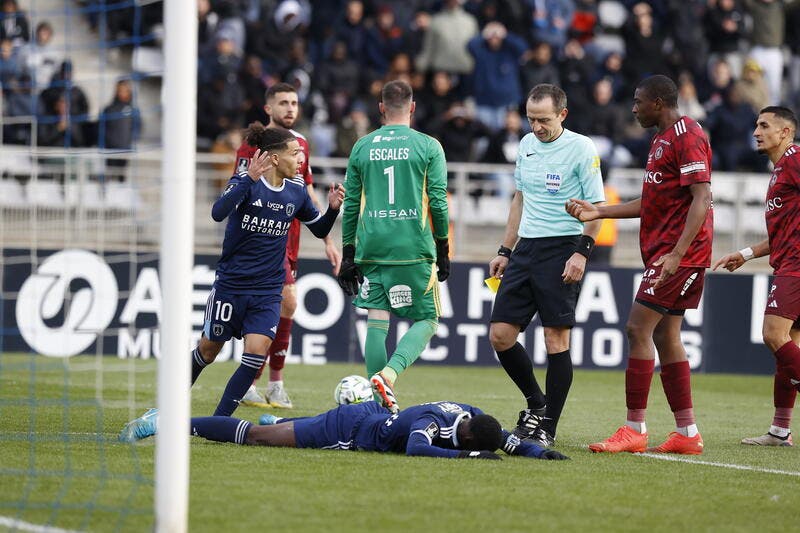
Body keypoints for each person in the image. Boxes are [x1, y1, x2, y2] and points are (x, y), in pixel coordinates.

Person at [566, 75, 714, 455]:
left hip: (680, 254)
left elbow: (702, 197)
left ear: (659, 103)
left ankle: (635, 427)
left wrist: (678, 253)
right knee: (665, 336)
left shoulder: (688, 135)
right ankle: (687, 432)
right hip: (667, 252)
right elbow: (648, 201)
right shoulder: (661, 139)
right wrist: (599, 210)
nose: (633, 108)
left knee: (636, 328)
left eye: (638, 101)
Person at [189, 127, 344, 417]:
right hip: (231, 286)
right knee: (208, 351)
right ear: (274, 158)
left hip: (267, 290)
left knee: (255, 354)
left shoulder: (296, 190)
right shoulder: (246, 182)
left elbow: (319, 228)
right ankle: (170, 404)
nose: (301, 159)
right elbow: (217, 213)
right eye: (294, 153)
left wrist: (332, 210)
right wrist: (247, 179)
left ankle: (219, 421)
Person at [487, 84, 605, 448]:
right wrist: (506, 249)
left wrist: (582, 252)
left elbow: (595, 208)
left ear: (563, 115)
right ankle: (537, 403)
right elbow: (519, 199)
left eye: (544, 120)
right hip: (526, 250)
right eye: (531, 119)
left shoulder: (582, 148)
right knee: (500, 335)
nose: (536, 127)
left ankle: (548, 424)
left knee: (555, 339)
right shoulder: (526, 145)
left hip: (563, 247)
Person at [337, 79, 449, 414]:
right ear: (412, 107)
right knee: (428, 319)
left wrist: (347, 254)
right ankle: (389, 374)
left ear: (381, 108)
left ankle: (377, 408)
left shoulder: (362, 146)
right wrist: (443, 248)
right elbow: (439, 203)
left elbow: (352, 204)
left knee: (376, 318)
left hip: (372, 246)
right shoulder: (428, 146)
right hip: (413, 245)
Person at [235, 82, 342, 410]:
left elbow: (306, 190)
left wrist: (327, 239)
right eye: (283, 103)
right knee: (286, 302)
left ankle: (264, 383)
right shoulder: (253, 145)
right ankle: (265, 382)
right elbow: (238, 191)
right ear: (268, 108)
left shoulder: (301, 144)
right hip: (263, 238)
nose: (290, 108)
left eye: (294, 102)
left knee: (283, 305)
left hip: (290, 238)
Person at [712, 106, 800, 447]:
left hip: (796, 267)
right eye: (756, 125)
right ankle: (780, 431)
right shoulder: (779, 171)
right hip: (788, 261)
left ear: (785, 132)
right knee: (788, 345)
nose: (756, 131)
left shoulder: (793, 159)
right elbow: (782, 234)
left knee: (773, 335)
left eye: (764, 125)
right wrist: (745, 254)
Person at [118, 400, 569, 461]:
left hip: (371, 414)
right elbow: (416, 450)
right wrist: (467, 458)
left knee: (273, 429)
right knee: (255, 436)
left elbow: (509, 441)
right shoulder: (433, 426)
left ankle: (285, 423)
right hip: (349, 429)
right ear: (466, 437)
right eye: (472, 446)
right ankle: (166, 422)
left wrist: (540, 453)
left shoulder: (473, 415)